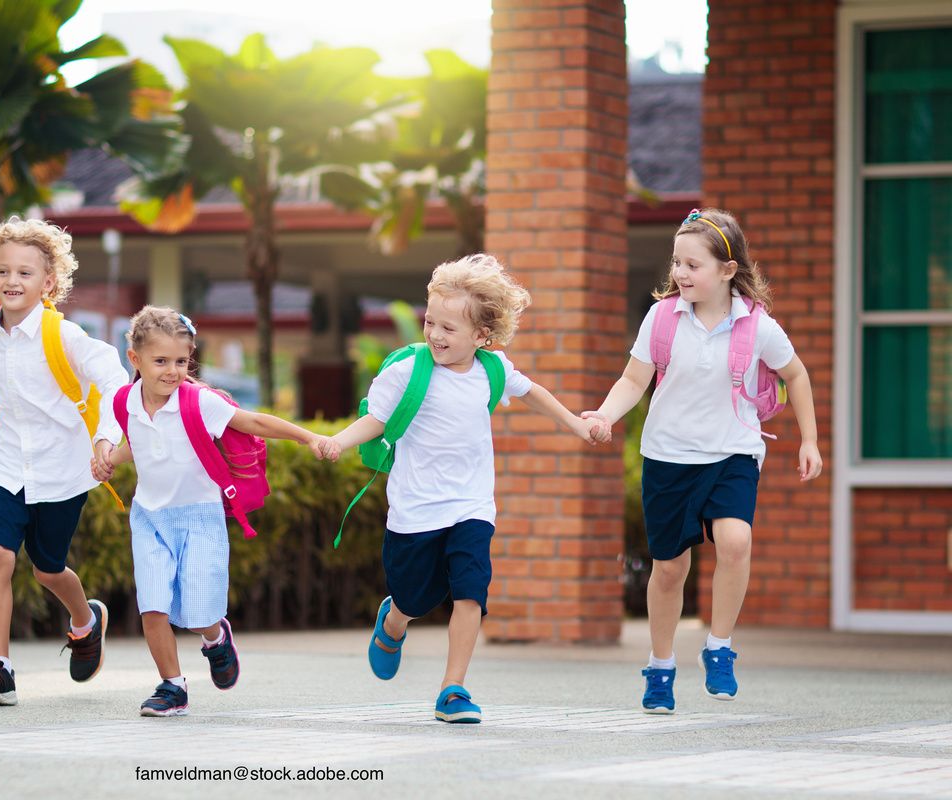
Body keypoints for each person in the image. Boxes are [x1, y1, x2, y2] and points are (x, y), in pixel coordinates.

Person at [323, 254, 601, 723]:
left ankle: (453, 689)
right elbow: (377, 418)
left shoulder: (491, 370)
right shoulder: (408, 371)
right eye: (431, 321)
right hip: (414, 511)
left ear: (481, 337)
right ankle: (394, 621)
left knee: (471, 592)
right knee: (414, 597)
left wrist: (576, 424)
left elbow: (531, 392)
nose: (434, 334)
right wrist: (337, 441)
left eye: (449, 329)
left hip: (471, 507)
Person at [583, 207, 822, 714]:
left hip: (733, 451)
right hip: (668, 456)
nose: (680, 274)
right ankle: (661, 664)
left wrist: (810, 441)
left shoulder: (757, 327)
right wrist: (604, 415)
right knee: (670, 568)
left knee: (736, 540)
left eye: (693, 265)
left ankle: (719, 647)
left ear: (728, 270)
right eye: (677, 263)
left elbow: (796, 375)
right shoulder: (662, 319)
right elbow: (633, 380)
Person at [90, 306, 334, 717]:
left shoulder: (199, 402)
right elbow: (141, 443)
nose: (172, 371)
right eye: (161, 361)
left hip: (200, 518)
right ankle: (172, 686)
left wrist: (307, 436)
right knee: (153, 606)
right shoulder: (125, 402)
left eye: (181, 361)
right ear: (135, 360)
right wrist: (110, 457)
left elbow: (254, 422)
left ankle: (216, 638)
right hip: (149, 518)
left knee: (201, 613)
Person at [0, 217, 128, 706]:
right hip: (6, 469)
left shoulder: (63, 336)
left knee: (47, 569)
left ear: (48, 283)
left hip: (62, 472)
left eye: (25, 273)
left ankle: (86, 621)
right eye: (3, 271)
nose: (12, 281)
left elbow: (113, 379)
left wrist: (106, 438)